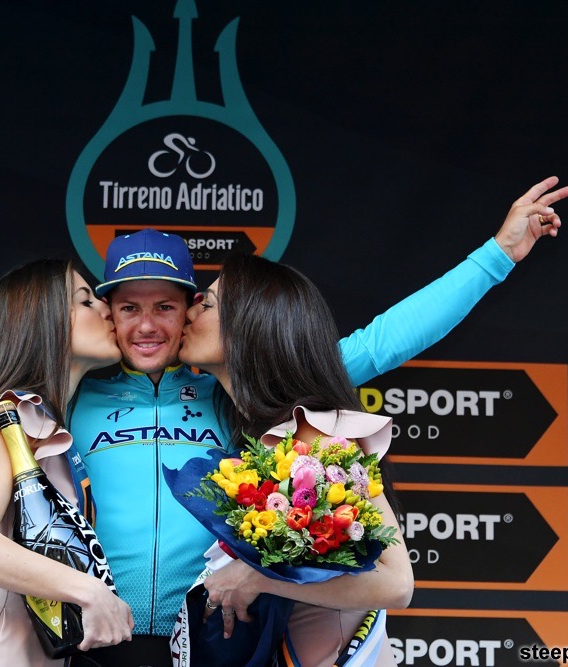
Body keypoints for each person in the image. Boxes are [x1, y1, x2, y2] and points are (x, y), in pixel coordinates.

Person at [0, 175, 568, 666]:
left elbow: (383, 340)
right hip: (92, 643)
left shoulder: (243, 395)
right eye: (124, 304)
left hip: (219, 642)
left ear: (188, 311)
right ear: (103, 310)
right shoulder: (54, 401)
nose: (143, 323)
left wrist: (495, 256)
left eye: (165, 305)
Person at [176, 252, 413, 666]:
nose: (190, 310)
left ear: (249, 327)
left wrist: (258, 578)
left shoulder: (317, 437)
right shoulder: (255, 436)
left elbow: (397, 584)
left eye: (207, 304)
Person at [0, 258, 133, 665]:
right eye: (86, 300)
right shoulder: (10, 415)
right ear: (45, 321)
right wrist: (89, 591)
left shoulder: (45, 421)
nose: (107, 309)